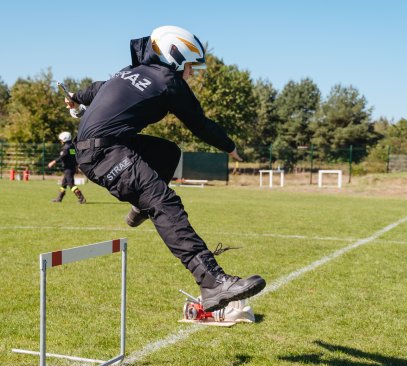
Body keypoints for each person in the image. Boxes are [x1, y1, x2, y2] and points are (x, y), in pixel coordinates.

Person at [65, 25, 265, 312]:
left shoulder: (129, 72)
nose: (192, 73)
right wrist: (230, 146)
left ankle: (140, 207)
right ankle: (212, 282)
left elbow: (98, 89)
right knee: (165, 202)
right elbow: (200, 124)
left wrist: (76, 96)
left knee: (168, 153)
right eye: (190, 66)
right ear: (175, 57)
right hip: (106, 153)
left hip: (102, 148)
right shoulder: (169, 81)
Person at [48, 132, 86, 204]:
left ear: (64, 139)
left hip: (68, 169)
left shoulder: (66, 148)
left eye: (61, 140)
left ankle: (81, 198)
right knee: (64, 184)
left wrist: (53, 162)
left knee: (71, 184)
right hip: (72, 168)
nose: (61, 141)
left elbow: (62, 157)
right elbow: (75, 158)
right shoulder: (72, 146)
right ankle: (59, 198)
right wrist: (76, 166)